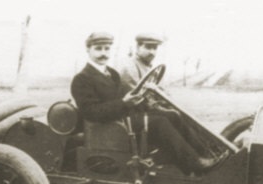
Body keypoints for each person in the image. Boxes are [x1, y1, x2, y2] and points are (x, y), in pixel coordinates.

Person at [71, 32, 221, 173]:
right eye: (98, 49)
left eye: (107, 49)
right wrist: (124, 103)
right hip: (110, 126)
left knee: (172, 116)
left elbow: (129, 97)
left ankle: (205, 153)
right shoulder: (82, 79)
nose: (103, 53)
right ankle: (193, 163)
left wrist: (140, 99)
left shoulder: (112, 73)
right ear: (88, 50)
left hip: (124, 119)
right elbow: (90, 112)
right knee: (159, 123)